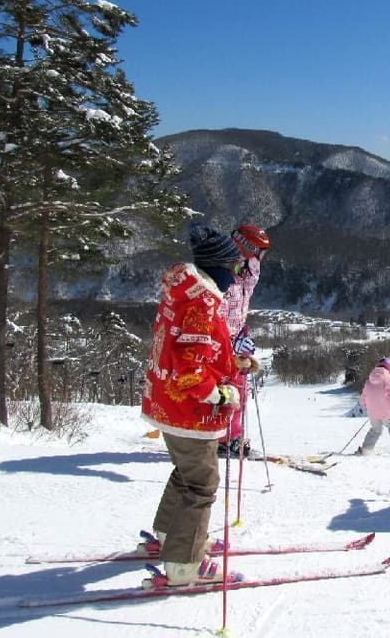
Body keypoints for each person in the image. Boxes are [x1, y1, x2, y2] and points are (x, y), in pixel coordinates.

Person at [140, 225, 246, 587]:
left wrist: (233, 365)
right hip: (189, 413)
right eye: (234, 268)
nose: (237, 276)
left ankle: (174, 536)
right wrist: (221, 394)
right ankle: (185, 564)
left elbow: (190, 350)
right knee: (201, 483)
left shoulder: (185, 294)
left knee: (187, 473)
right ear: (219, 266)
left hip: (167, 405)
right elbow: (189, 370)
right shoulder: (202, 303)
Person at [217, 224, 271, 458]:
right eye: (259, 252)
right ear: (247, 248)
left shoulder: (243, 275)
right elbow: (213, 318)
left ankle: (232, 436)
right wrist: (230, 343)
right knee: (226, 392)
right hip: (219, 347)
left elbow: (247, 290)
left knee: (239, 390)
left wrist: (241, 337)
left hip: (234, 342)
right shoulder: (223, 278)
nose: (261, 258)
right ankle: (220, 437)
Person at [355, 357, 390, 455]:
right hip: (386, 412)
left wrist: (370, 407)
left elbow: (362, 400)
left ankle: (366, 450)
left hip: (373, 413)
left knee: (375, 430)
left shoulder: (369, 381)